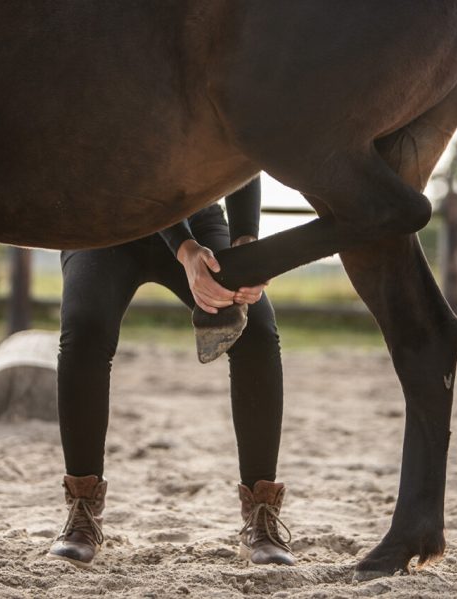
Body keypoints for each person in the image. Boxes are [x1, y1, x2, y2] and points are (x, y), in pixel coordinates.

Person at [47, 178, 295, 568]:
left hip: (197, 214)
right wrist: (185, 249)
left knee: (258, 332)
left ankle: (260, 515)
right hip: (105, 216)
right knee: (85, 328)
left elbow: (247, 149)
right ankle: (82, 511)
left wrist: (248, 244)